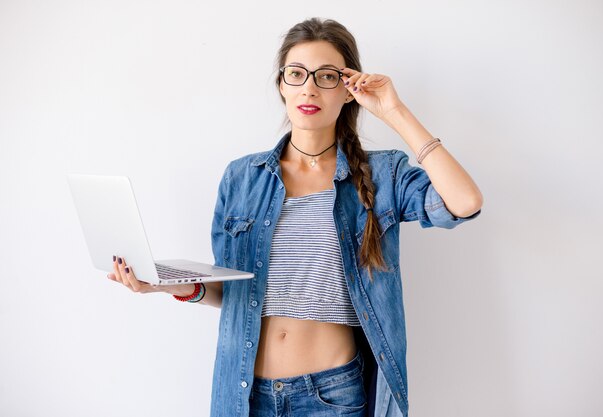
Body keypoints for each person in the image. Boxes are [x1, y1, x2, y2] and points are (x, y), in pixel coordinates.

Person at [107, 17, 482, 417]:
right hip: (243, 394)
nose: (309, 87)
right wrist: (169, 285)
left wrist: (395, 111)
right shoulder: (241, 177)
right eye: (297, 74)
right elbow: (237, 295)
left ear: (348, 89)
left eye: (326, 76)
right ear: (282, 85)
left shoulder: (381, 174)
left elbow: (464, 202)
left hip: (333, 395)